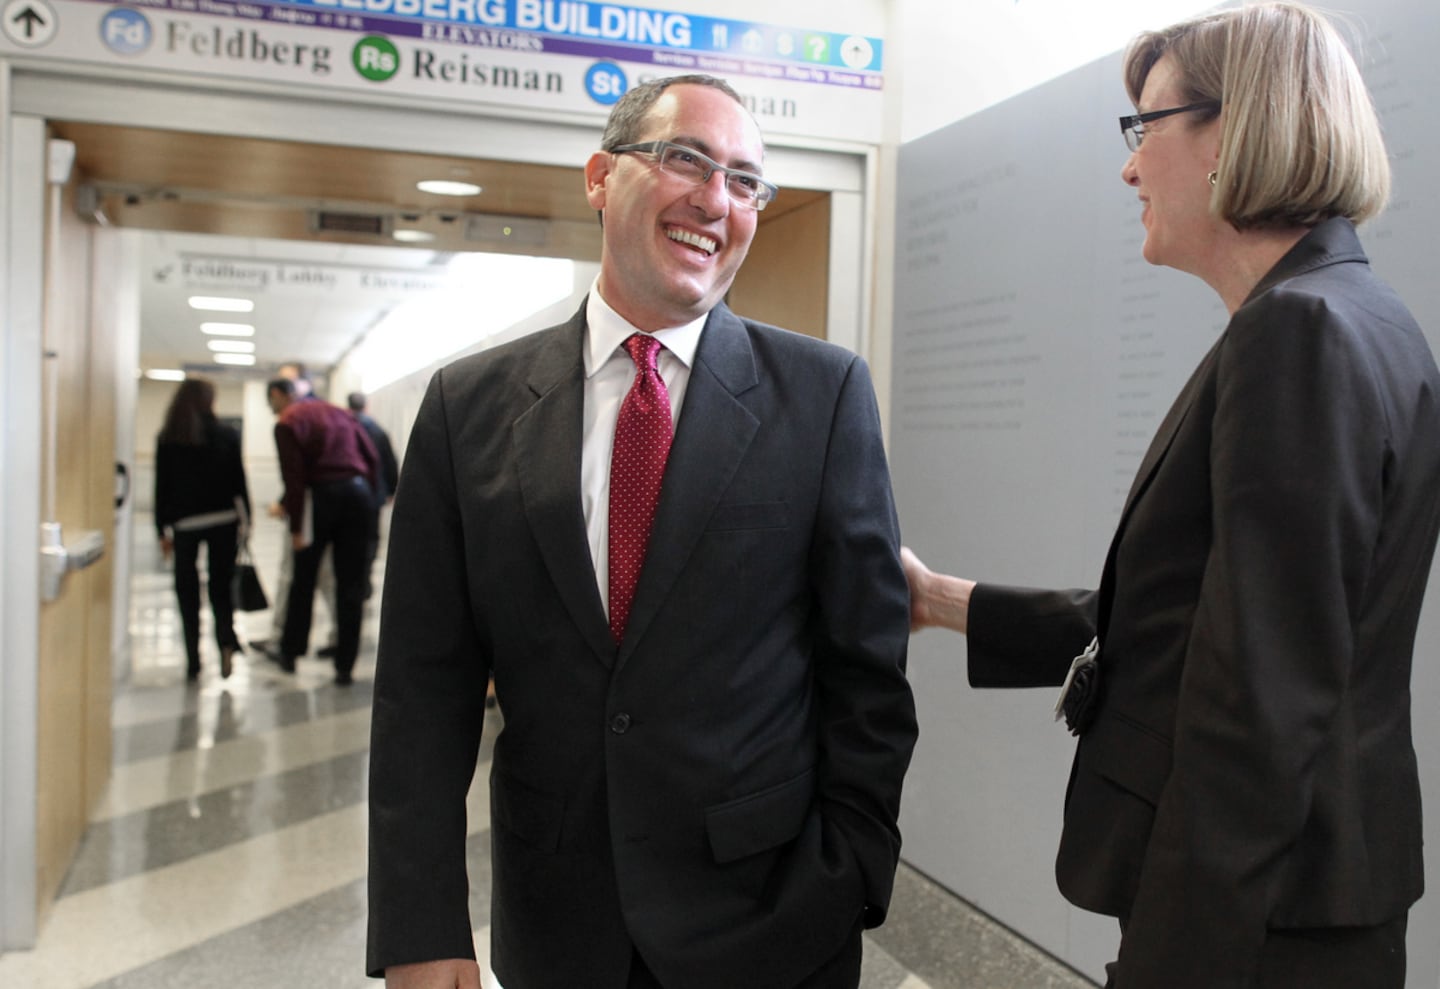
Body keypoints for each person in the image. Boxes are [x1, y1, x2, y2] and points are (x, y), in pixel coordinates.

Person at [902, 5, 1440, 987]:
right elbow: (1198, 624)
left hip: (1255, 927)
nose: (1129, 168)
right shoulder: (1349, 315)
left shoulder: (1300, 334)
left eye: (1143, 128)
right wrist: (946, 603)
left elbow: (1257, 711)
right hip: (1296, 907)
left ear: (1231, 136)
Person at [367, 74, 917, 989]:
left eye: (746, 181)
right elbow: (423, 689)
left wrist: (849, 869)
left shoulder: (822, 396)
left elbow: (866, 667)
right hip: (558, 922)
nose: (716, 199)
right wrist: (421, 926)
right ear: (600, 176)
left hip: (773, 920)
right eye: (686, 159)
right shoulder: (469, 408)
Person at [266, 377, 379, 685]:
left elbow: (295, 479)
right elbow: (371, 458)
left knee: (303, 579)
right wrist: (369, 502)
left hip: (321, 498)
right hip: (358, 497)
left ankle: (290, 653)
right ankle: (346, 664)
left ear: (279, 396)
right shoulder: (339, 412)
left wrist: (297, 529)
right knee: (350, 584)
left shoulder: (287, 422)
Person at [153, 377, 251, 681]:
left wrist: (161, 529)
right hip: (223, 520)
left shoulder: (169, 437)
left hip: (185, 524)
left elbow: (162, 487)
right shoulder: (226, 434)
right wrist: (247, 521)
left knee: (187, 590)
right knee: (221, 587)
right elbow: (239, 482)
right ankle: (225, 642)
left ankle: (193, 659)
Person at [346, 390, 399, 597]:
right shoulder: (377, 430)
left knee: (350, 539)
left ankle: (351, 579)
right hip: (373, 495)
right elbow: (389, 460)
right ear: (365, 406)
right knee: (370, 539)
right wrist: (392, 488)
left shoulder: (343, 427)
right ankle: (363, 580)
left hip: (350, 496)